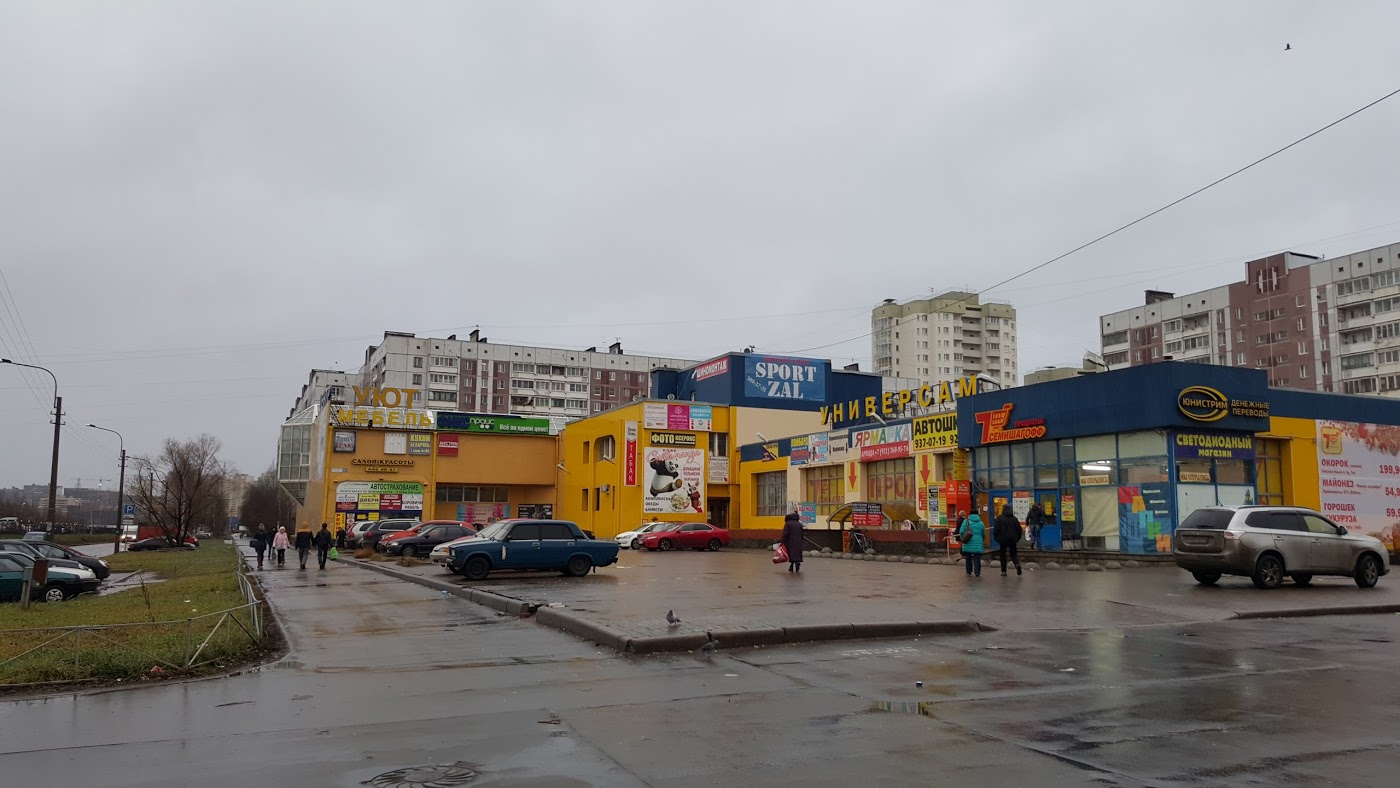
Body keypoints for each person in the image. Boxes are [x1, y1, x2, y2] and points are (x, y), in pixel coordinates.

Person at [993, 505, 1024, 576]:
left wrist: (997, 538)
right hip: (1013, 539)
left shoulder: (1000, 518)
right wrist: (1017, 538)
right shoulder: (1014, 519)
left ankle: (1004, 571)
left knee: (1002, 554)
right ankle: (1017, 564)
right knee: (1013, 554)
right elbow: (1019, 530)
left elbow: (996, 529)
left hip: (1003, 539)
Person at [959, 509, 986, 578]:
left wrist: (963, 538)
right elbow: (984, 534)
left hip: (968, 542)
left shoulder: (966, 521)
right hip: (978, 543)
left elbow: (961, 531)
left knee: (968, 557)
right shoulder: (981, 523)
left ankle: (968, 571)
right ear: (977, 514)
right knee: (977, 558)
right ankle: (977, 572)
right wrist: (981, 540)